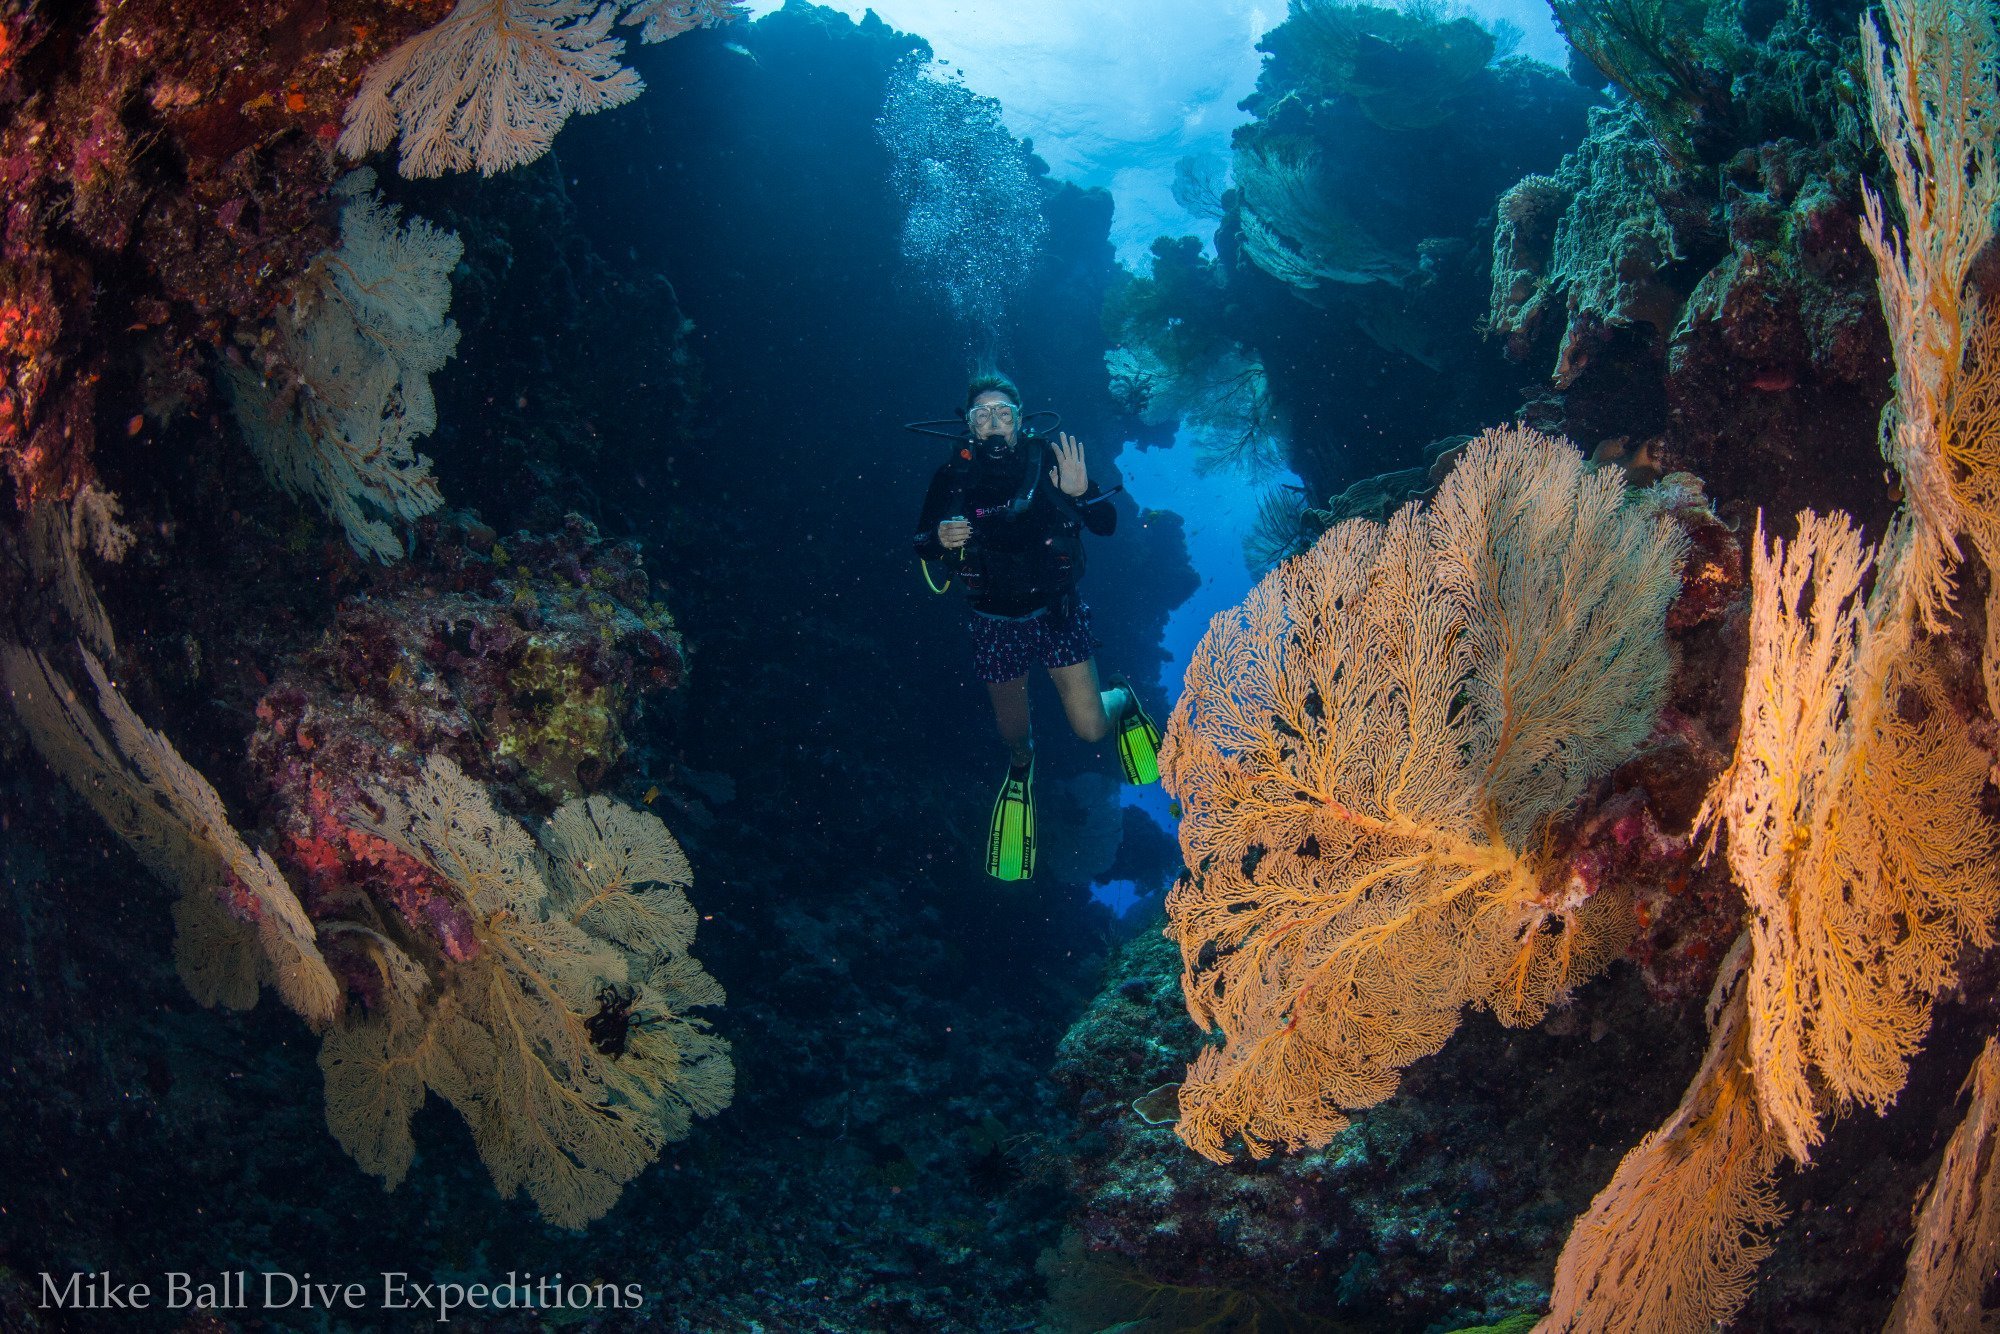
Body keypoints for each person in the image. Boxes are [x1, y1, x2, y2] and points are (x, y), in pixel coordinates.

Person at [911, 372, 1161, 881]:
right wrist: (939, 536)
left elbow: (1106, 525)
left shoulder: (1048, 462)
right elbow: (921, 544)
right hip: (992, 621)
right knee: (1015, 738)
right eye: (982, 414)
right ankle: (1022, 766)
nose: (994, 421)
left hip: (1056, 613)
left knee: (1092, 729)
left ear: (1021, 419)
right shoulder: (952, 477)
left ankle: (1122, 698)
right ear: (969, 425)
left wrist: (1083, 490)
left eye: (1003, 412)